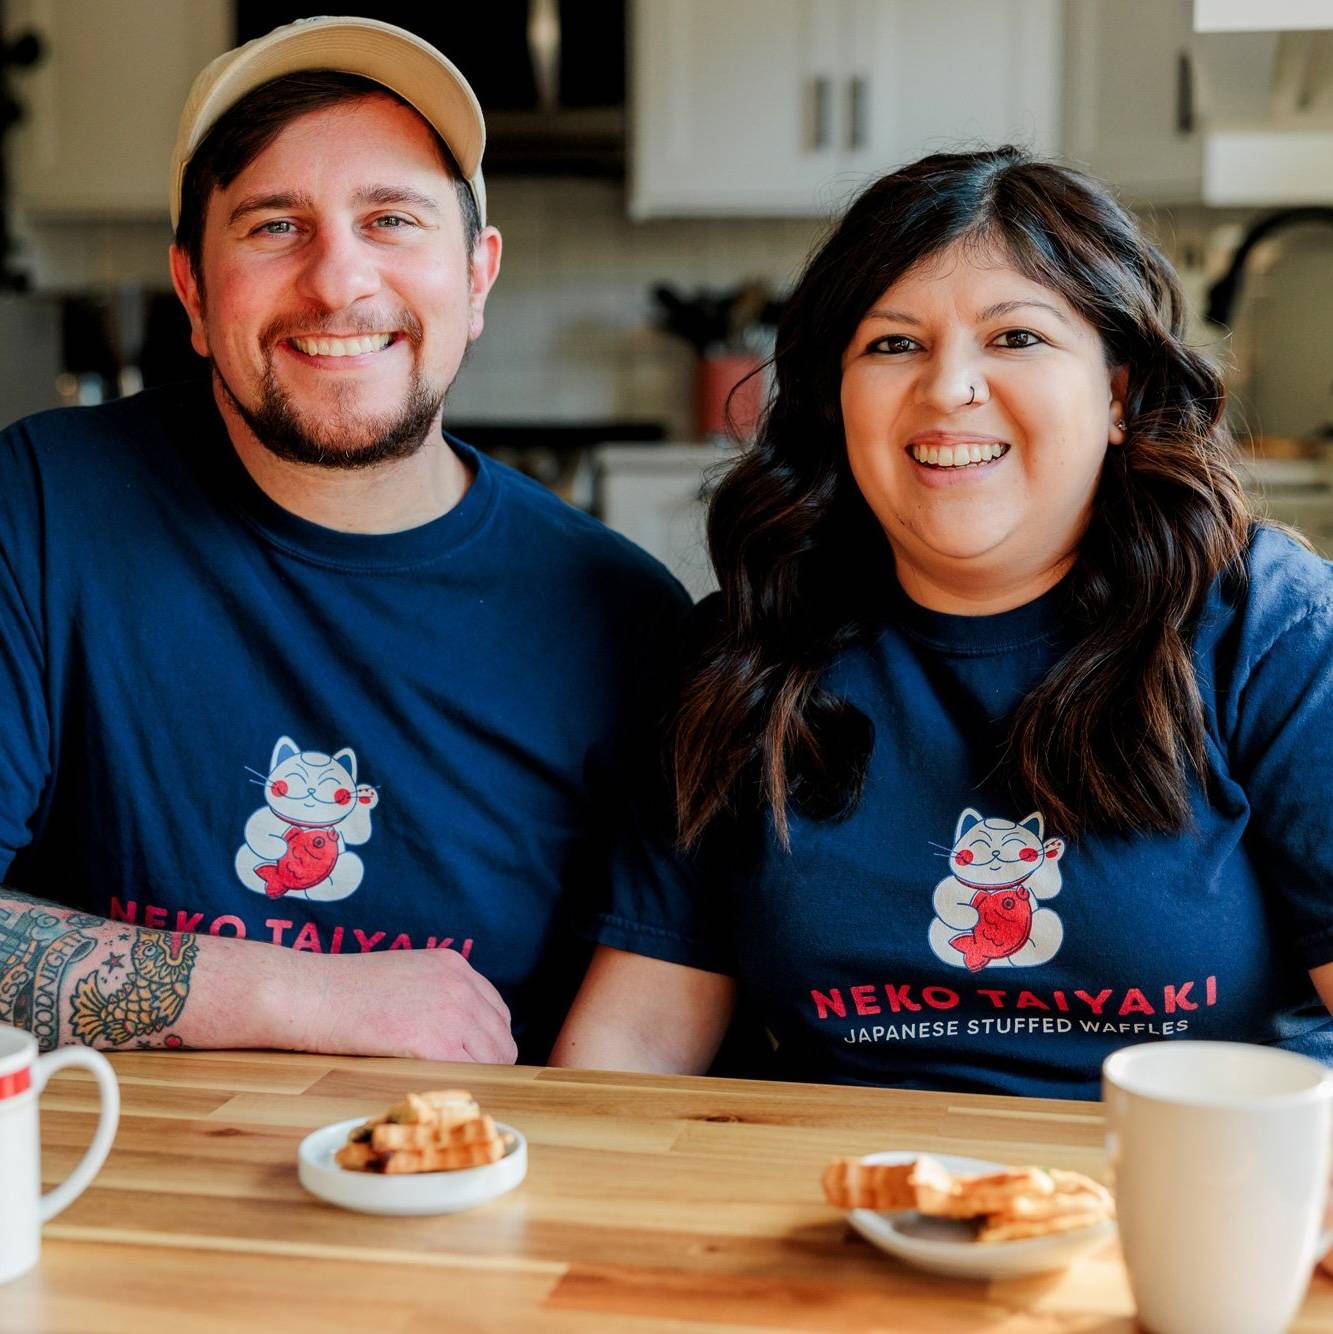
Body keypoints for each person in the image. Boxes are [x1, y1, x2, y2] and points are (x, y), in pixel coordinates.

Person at [551, 146, 1333, 1101]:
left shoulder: (1268, 625)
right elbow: (632, 1041)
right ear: (835, 401)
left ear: (1117, 394)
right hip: (844, 1182)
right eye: (892, 345)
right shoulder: (747, 650)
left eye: (1016, 337)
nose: (947, 386)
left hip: (1185, 1178)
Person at [0, 17, 687, 1063]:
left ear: (478, 276)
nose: (338, 281)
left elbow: (634, 1057)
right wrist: (285, 991)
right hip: (103, 1159)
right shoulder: (43, 508)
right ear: (192, 289)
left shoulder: (627, 624)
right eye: (275, 225)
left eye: (392, 220)